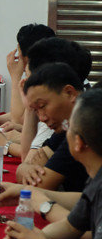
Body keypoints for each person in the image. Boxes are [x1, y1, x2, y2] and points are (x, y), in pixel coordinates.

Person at [3, 89, 102, 239]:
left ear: (78, 142)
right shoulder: (96, 177)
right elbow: (71, 226)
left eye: (68, 128)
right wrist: (32, 237)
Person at [15, 63, 89, 192]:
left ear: (70, 93)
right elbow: (30, 161)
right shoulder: (65, 127)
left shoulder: (86, 126)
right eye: (36, 110)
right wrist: (23, 168)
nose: (42, 118)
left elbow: (38, 184)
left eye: (42, 106)